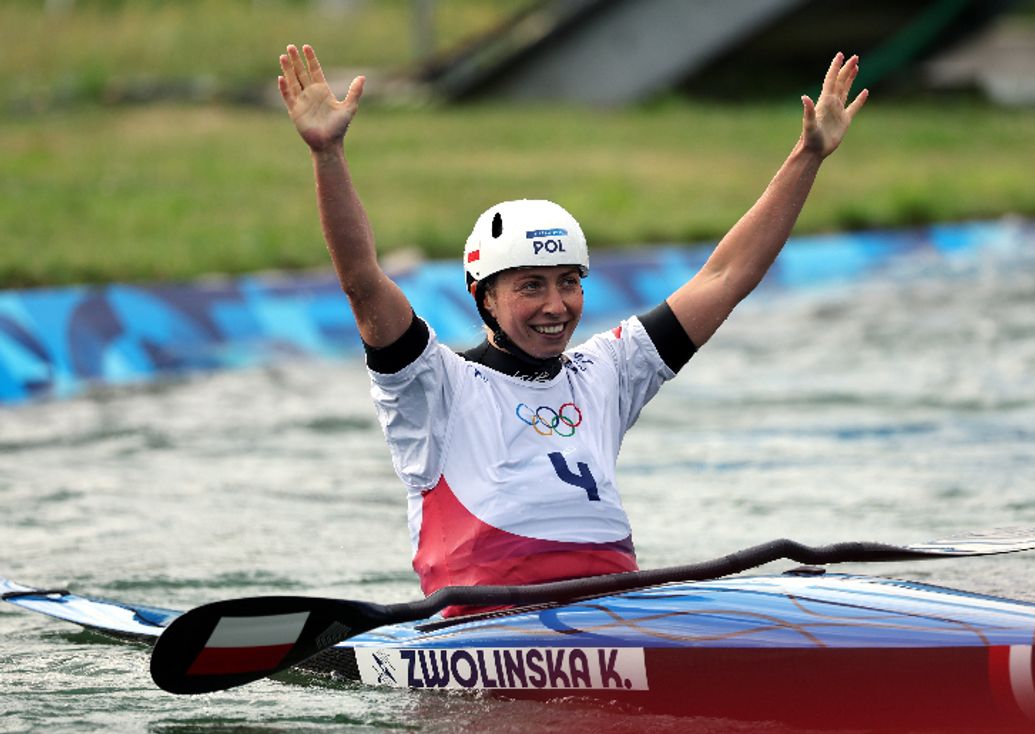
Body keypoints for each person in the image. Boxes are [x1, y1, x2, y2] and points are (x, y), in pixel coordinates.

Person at [277, 44, 867, 614]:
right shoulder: (433, 386)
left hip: (614, 613)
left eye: (568, 282)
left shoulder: (607, 371)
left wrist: (807, 156)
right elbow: (362, 281)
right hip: (484, 633)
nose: (556, 305)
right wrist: (327, 154)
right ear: (482, 296)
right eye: (530, 286)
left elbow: (726, 276)